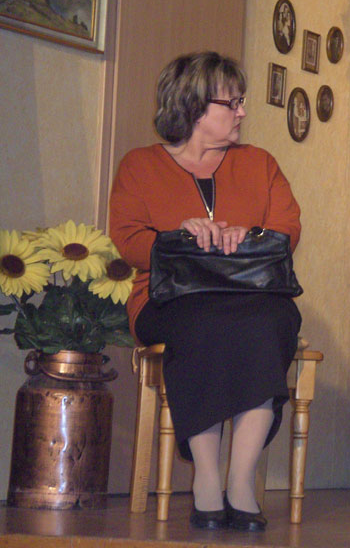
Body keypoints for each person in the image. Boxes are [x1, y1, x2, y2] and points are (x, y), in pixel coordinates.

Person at [109, 52, 301, 532]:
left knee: (271, 322)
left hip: (252, 296)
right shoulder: (139, 166)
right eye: (231, 103)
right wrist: (181, 236)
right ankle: (207, 481)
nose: (242, 112)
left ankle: (240, 479)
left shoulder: (260, 163)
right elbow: (128, 241)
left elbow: (287, 229)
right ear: (193, 106)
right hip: (167, 298)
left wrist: (248, 235)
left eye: (241, 102)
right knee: (202, 324)